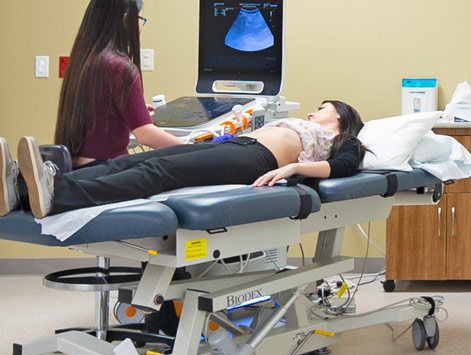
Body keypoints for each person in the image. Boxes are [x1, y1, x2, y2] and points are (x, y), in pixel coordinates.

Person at [0, 101, 365, 218]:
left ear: (341, 116)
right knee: (131, 161)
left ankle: (56, 195)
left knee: (160, 171)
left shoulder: (344, 139)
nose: (316, 111)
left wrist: (295, 167)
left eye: (324, 108)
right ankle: (21, 185)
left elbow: (344, 167)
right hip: (236, 146)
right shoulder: (305, 123)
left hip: (258, 159)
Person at [56, 0, 184, 167]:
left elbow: (97, 114)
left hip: (77, 169)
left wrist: (132, 113)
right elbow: (145, 135)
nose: (141, 26)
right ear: (126, 20)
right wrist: (194, 150)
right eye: (140, 19)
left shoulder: (84, 62)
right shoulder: (120, 67)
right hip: (105, 172)